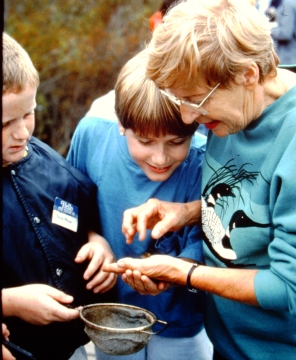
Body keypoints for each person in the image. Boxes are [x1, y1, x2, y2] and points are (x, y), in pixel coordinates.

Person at [103, 0, 296, 359]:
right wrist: (189, 211)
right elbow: (256, 195)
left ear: (247, 74)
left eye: (195, 101)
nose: (187, 118)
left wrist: (184, 273)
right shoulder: (236, 110)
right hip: (226, 343)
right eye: (180, 100)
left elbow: (289, 289)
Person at [67, 51, 212, 360]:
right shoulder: (91, 135)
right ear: (121, 124)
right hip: (111, 317)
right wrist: (94, 237)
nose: (160, 159)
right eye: (145, 142)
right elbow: (71, 206)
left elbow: (210, 236)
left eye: (176, 142)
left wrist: (174, 270)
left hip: (180, 320)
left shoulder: (203, 161)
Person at [2, 33, 116, 360]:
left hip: (72, 345)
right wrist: (9, 302)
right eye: (5, 122)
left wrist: (97, 242)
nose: (22, 132)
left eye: (28, 114)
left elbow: (80, 214)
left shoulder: (49, 164)